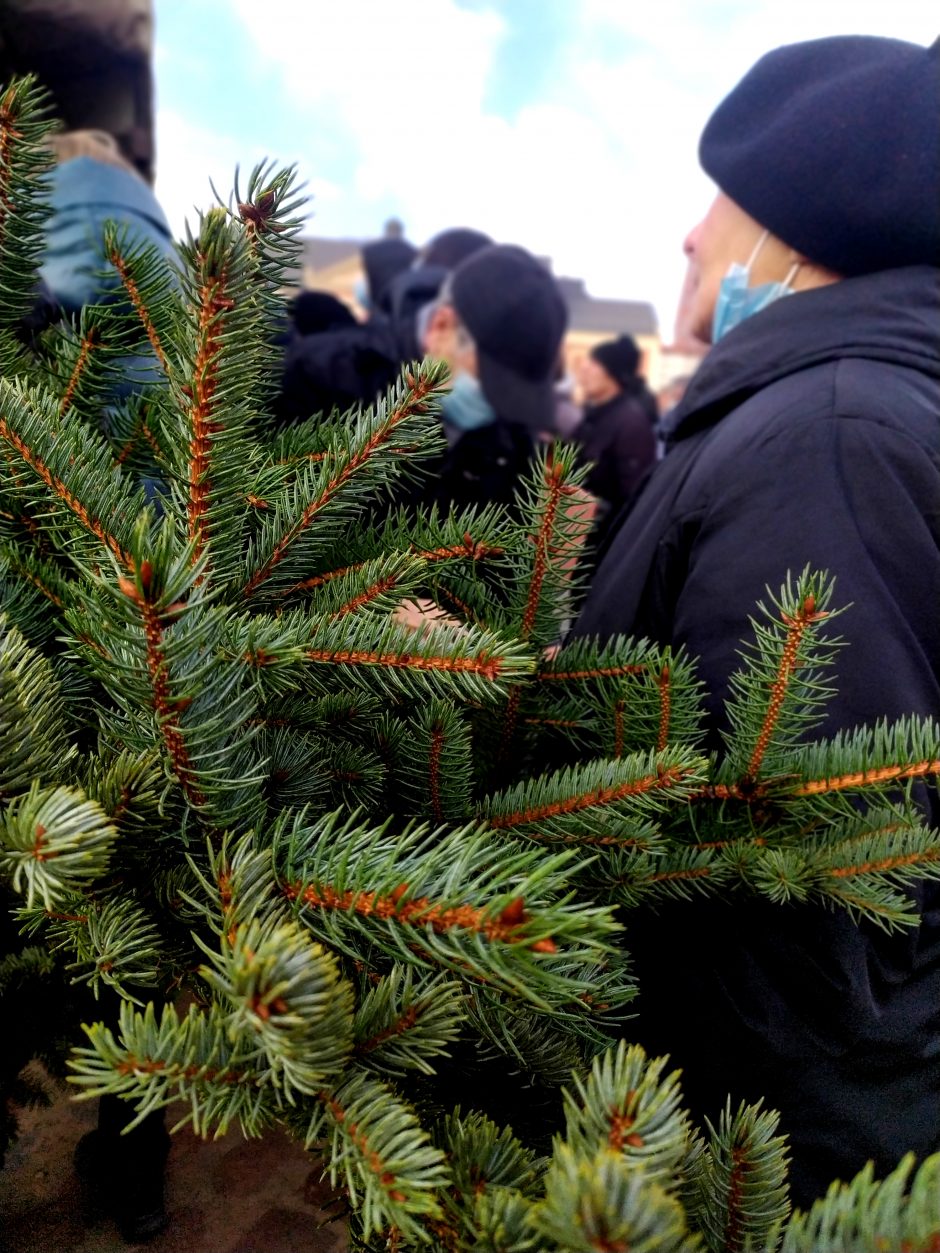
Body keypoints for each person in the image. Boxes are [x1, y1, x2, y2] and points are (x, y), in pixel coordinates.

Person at [573, 35, 940, 1204]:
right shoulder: (812, 414)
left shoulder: (823, 441)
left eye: (720, 198)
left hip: (759, 1150)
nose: (689, 234)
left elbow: (830, 914)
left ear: (797, 236)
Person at [418, 243, 567, 510]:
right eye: (489, 383)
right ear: (441, 327)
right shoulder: (339, 392)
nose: (497, 408)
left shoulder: (513, 438)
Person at [575, 335, 657, 516]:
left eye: (595, 363)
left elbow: (632, 496)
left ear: (614, 374)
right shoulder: (593, 415)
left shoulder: (631, 424)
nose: (584, 368)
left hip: (600, 536)